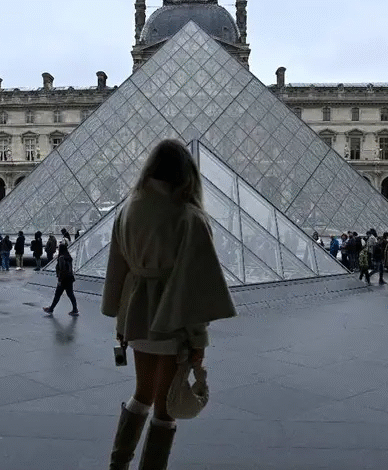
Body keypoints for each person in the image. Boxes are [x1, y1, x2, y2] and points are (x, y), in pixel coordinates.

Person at [101, 140, 237, 469]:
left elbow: (116, 269)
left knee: (142, 393)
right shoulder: (189, 217)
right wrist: (198, 342)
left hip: (136, 316)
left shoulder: (128, 209)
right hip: (172, 320)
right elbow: (195, 289)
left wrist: (117, 315)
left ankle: (118, 464)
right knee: (165, 408)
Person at [43, 243, 79, 316]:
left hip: (63, 280)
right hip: (69, 278)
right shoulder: (68, 257)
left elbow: (62, 270)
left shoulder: (61, 257)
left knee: (58, 295)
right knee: (70, 294)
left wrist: (60, 280)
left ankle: (51, 309)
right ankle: (75, 309)